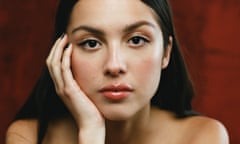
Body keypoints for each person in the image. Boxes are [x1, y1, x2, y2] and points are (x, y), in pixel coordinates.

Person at [6, 0, 229, 143]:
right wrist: (91, 133)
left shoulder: (202, 137)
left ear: (166, 53)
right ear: (62, 53)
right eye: (91, 43)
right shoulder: (29, 137)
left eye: (136, 40)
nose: (114, 65)